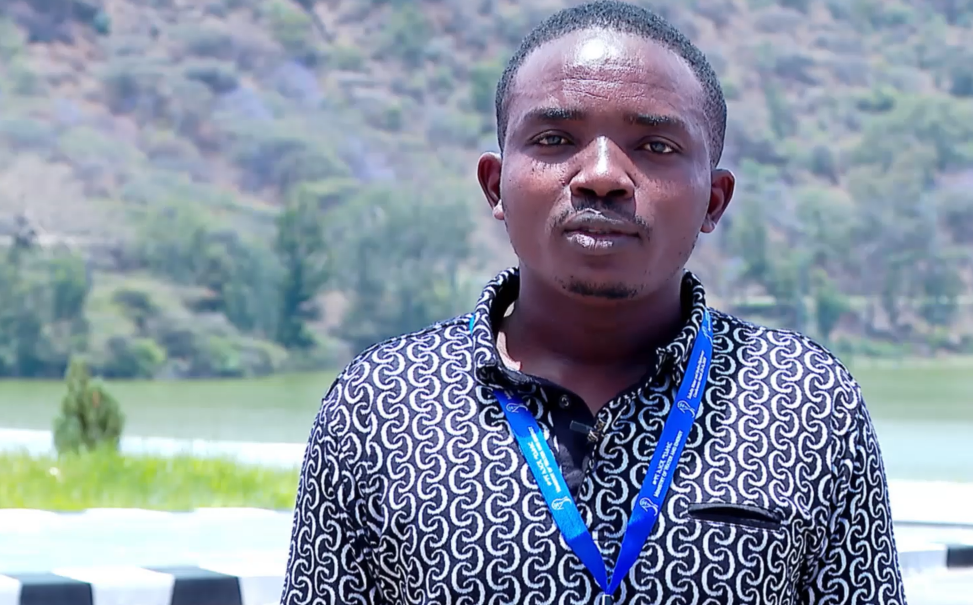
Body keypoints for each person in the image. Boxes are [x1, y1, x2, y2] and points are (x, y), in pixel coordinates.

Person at [280, 2, 907, 603]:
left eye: (655, 146)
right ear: (496, 186)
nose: (602, 175)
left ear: (714, 200)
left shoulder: (804, 400)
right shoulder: (382, 405)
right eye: (555, 139)